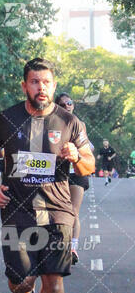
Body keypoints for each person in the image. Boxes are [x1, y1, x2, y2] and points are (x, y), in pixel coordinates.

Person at [0, 58, 95, 293]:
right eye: (34, 81)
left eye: (46, 82)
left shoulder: (70, 122)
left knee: (53, 278)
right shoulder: (6, 118)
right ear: (24, 85)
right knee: (21, 280)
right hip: (17, 210)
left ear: (53, 85)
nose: (40, 87)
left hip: (58, 210)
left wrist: (76, 157)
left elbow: (89, 164)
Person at [55, 93, 92, 265]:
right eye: (62, 104)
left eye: (69, 103)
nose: (67, 106)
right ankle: (60, 245)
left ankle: (73, 248)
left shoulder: (80, 125)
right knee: (58, 212)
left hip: (76, 170)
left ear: (73, 105)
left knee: (73, 211)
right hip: (56, 171)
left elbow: (88, 147)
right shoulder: (51, 124)